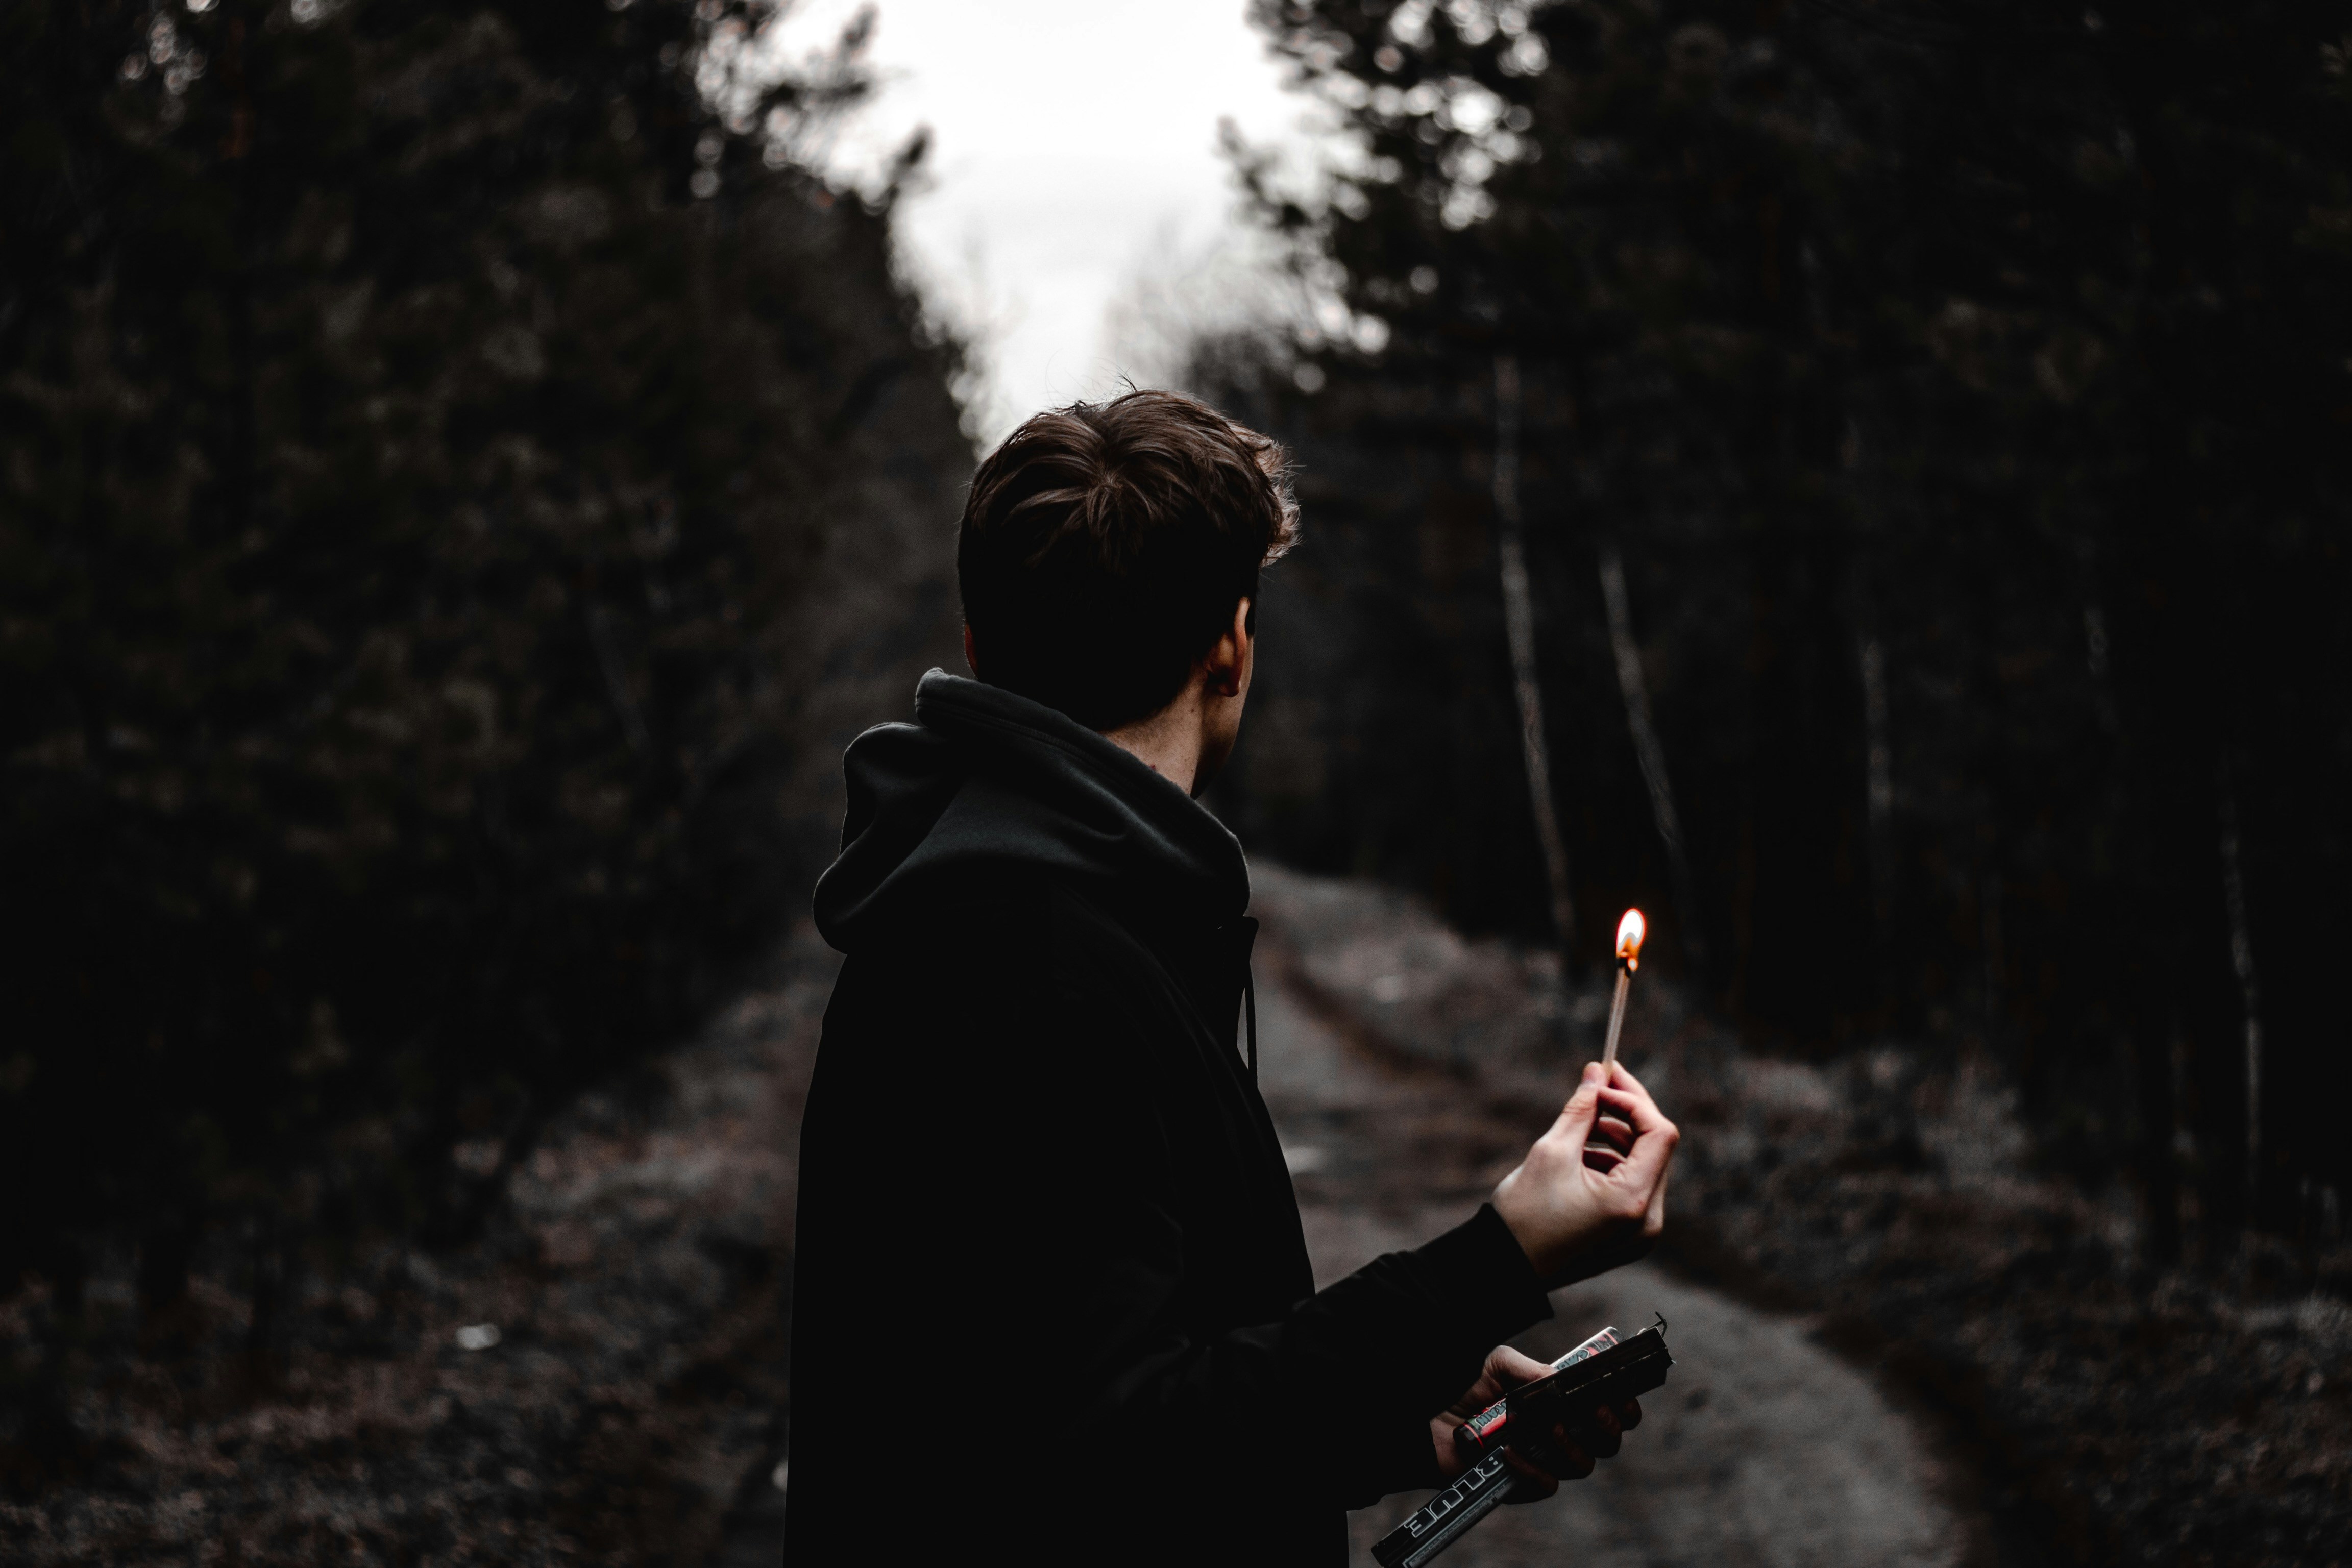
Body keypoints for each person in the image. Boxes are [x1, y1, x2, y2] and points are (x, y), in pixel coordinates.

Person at [783, 390, 1679, 1565]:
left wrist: (1398, 1419)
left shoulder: (1041, 923)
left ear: (977, 646)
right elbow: (1111, 1457)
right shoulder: (1022, 962)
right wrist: (1493, 1262)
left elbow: (1055, 1405)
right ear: (1232, 646)